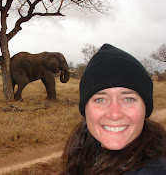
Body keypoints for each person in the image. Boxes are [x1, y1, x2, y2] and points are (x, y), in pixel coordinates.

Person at [60, 44, 166, 175]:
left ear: (145, 108)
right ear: (85, 109)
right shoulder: (85, 153)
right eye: (100, 100)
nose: (114, 114)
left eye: (128, 99)